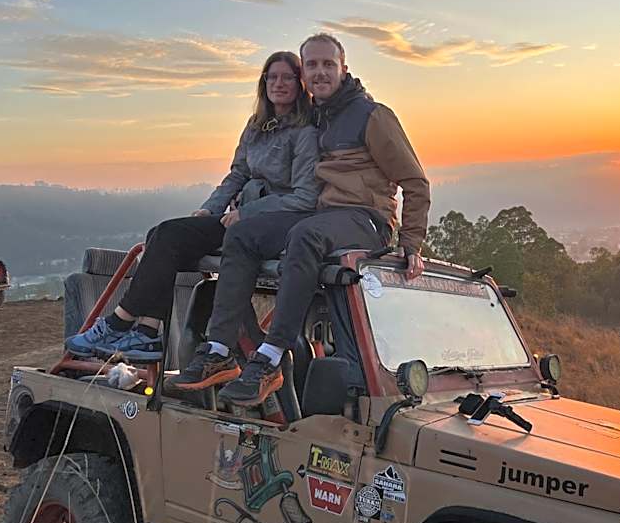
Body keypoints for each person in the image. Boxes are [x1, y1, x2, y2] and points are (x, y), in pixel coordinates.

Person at [177, 33, 431, 406]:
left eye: (328, 64)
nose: (320, 72)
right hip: (320, 216)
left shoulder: (372, 116)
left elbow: (415, 181)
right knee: (243, 234)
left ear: (344, 68)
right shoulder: (314, 116)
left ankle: (271, 356)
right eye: (312, 65)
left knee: (305, 235)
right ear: (304, 74)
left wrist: (411, 244)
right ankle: (219, 349)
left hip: (366, 218)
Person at [65, 51, 321, 366]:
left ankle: (120, 322)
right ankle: (147, 330)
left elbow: (303, 196)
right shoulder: (256, 127)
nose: (278, 84)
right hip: (237, 217)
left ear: (300, 84)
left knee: (169, 236)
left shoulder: (305, 133)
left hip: (268, 224)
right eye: (272, 77)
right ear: (263, 83)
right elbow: (237, 175)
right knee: (161, 233)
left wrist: (248, 214)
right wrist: (209, 209)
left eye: (287, 78)